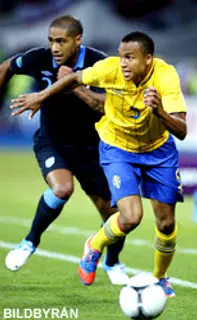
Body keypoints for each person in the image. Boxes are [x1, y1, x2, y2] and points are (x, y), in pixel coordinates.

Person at [11, 31, 187, 297]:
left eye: (131, 57)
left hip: (158, 151)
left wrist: (159, 111)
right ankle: (94, 246)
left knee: (166, 224)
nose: (123, 63)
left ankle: (160, 277)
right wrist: (40, 96)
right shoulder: (109, 68)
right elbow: (73, 78)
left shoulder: (165, 76)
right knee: (130, 217)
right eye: (121, 55)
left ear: (148, 59)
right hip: (118, 148)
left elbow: (182, 130)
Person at [2, 15, 128, 285]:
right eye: (51, 41)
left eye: (61, 41)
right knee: (62, 189)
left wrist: (74, 84)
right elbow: (7, 67)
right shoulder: (39, 58)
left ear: (78, 40)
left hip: (93, 148)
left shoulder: (101, 64)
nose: (55, 47)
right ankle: (29, 242)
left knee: (116, 214)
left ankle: (113, 262)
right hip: (53, 141)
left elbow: (105, 106)